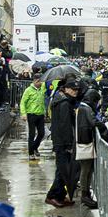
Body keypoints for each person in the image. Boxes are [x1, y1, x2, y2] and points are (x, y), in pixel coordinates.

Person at [46, 79, 81, 208]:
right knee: (63, 170)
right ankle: (52, 196)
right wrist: (68, 145)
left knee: (62, 170)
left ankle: (59, 195)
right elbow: (65, 124)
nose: (75, 92)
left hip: (59, 139)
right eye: (73, 89)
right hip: (62, 142)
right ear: (66, 89)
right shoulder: (65, 103)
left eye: (77, 90)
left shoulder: (59, 99)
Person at [75, 89, 108, 210]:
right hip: (85, 142)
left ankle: (86, 193)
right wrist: (103, 126)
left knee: (87, 169)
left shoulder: (82, 107)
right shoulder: (86, 108)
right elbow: (93, 121)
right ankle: (85, 195)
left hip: (85, 141)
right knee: (86, 169)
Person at [20, 75, 46, 160]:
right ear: (34, 81)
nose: (40, 83)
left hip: (41, 114)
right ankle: (31, 153)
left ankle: (35, 147)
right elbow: (23, 102)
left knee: (42, 133)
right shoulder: (28, 90)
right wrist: (23, 113)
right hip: (31, 114)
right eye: (39, 81)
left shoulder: (42, 89)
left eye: (41, 81)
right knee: (31, 134)